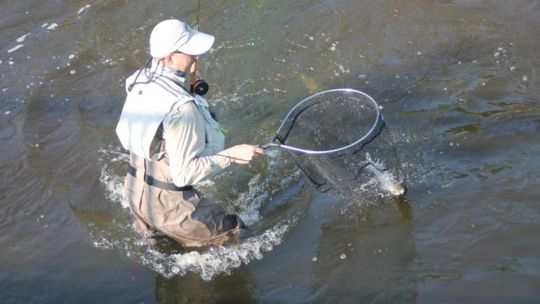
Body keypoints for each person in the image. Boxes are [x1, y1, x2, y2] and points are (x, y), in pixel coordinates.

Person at [115, 19, 264, 247]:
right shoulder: (183, 108)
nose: (196, 57)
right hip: (172, 210)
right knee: (244, 238)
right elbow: (184, 175)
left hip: (135, 194)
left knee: (163, 251)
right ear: (169, 58)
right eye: (189, 52)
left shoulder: (138, 80)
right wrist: (233, 154)